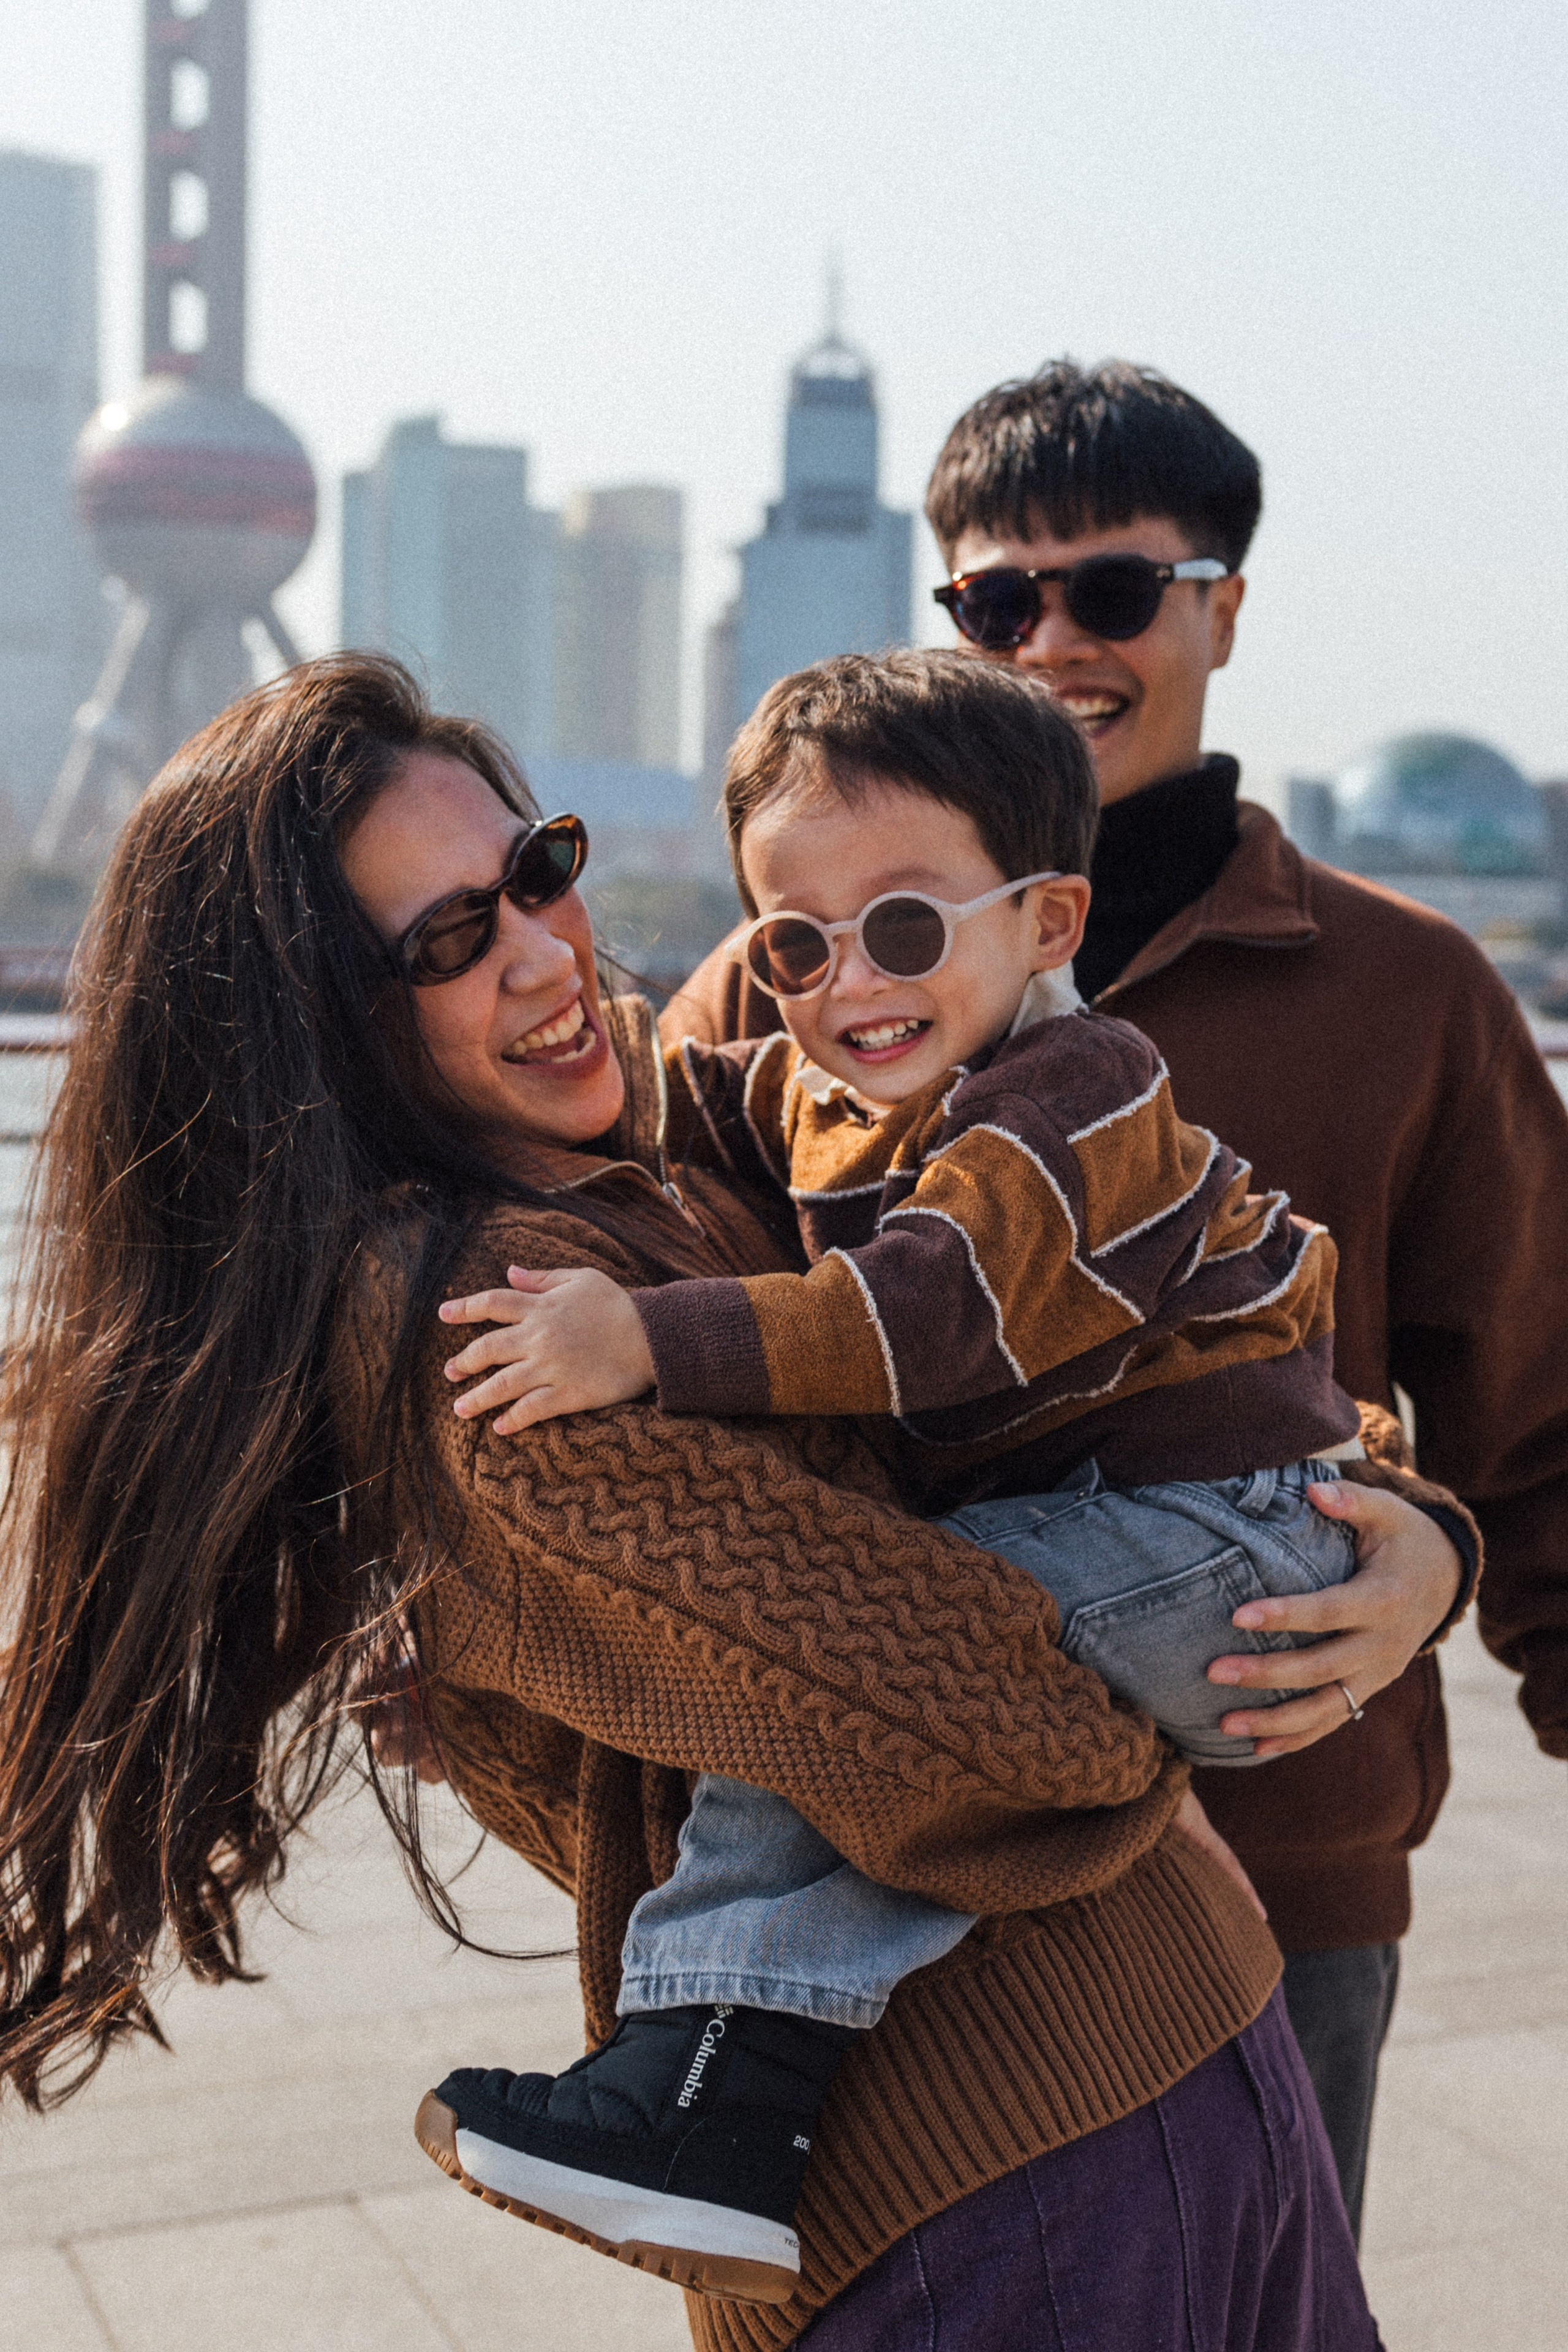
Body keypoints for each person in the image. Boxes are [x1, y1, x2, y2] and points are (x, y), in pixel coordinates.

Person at [0, 654, 1444, 2350]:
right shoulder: (494, 1320)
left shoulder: (672, 1168)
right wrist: (1248, 1631)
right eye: (447, 941)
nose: (545, 951)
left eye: (534, 872)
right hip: (1001, 2181)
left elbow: (1156, 1345)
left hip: (1130, 2099)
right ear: (308, 1023)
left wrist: (1401, 1539)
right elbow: (1007, 1722)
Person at [420, 648, 1477, 2291]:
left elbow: (931, 1315)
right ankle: (729, 2098)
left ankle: (719, 2093)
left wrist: (645, 1341)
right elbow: (672, 1095)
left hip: (1234, 1542)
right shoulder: (821, 1082)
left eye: (905, 927)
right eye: (792, 942)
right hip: (1153, 1543)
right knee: (841, 1681)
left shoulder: (1080, 1091)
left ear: (1048, 926)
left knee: (825, 1672)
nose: (852, 983)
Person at [666, 358, 1568, 2242]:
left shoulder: (1414, 996)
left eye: (1115, 592)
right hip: (878, 1831)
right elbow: (627, 1292)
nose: (1054, 643)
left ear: (1225, 605)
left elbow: (1543, 1425)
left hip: (1282, 1856)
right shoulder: (781, 991)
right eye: (999, 601)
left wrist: (1433, 1556)